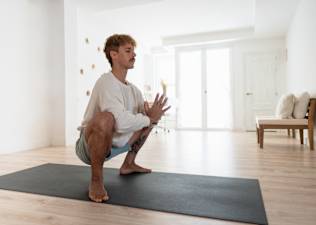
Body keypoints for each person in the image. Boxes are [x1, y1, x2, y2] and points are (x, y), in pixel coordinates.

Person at [75, 34, 170, 203]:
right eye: (128, 51)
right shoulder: (106, 82)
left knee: (149, 117)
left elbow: (144, 120)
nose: (134, 55)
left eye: (134, 52)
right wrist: (148, 119)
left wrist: (152, 115)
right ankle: (96, 180)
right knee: (106, 118)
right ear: (114, 54)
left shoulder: (134, 90)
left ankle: (128, 164)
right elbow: (120, 121)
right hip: (90, 147)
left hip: (116, 144)